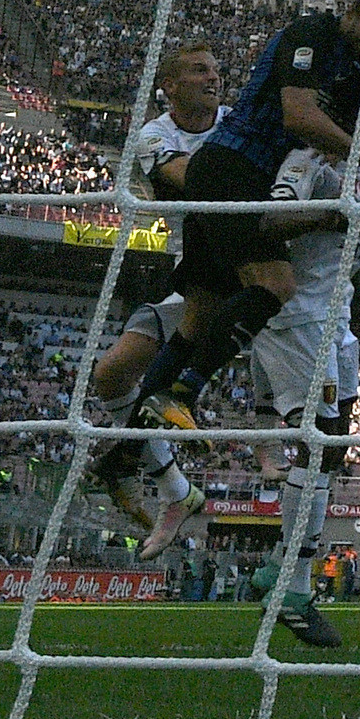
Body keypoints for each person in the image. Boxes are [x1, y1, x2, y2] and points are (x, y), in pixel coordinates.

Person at [126, 0, 360, 439]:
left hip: (225, 175)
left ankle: (124, 453)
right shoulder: (312, 34)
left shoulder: (349, 59)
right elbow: (298, 117)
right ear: (357, 12)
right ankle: (182, 393)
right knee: (276, 285)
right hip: (235, 169)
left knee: (199, 318)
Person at [244, 65, 360, 648]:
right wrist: (334, 214)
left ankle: (281, 568)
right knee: (319, 442)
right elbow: (268, 220)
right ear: (355, 121)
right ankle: (293, 589)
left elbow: (351, 229)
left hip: (335, 318)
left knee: (335, 446)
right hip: (298, 318)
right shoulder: (310, 160)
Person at [86, 42, 226, 554]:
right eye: (199, 70)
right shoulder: (154, 136)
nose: (212, 78)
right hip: (196, 277)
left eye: (215, 70)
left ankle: (127, 464)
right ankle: (175, 489)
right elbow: (193, 181)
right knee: (110, 375)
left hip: (250, 274)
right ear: (169, 86)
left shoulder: (236, 121)